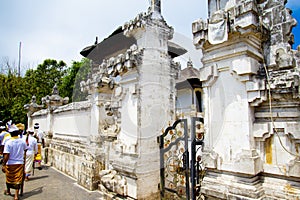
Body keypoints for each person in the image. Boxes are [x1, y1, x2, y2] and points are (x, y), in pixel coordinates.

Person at [2, 125, 27, 200]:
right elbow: (25, 150)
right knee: (18, 179)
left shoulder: (8, 142)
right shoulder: (22, 141)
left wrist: (3, 164)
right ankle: (16, 195)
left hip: (10, 163)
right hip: (20, 162)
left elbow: (6, 155)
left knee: (9, 178)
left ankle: (9, 191)